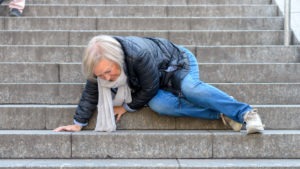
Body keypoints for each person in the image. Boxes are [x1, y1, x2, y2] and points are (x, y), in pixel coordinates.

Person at [54, 35, 265, 134]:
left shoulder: (138, 55)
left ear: (117, 58)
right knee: (159, 106)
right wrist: (78, 123)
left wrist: (127, 106)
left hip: (176, 63)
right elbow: (91, 93)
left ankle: (245, 113)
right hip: (156, 80)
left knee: (190, 89)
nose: (107, 79)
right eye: (101, 75)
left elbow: (149, 87)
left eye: (109, 71)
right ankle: (221, 113)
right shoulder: (99, 67)